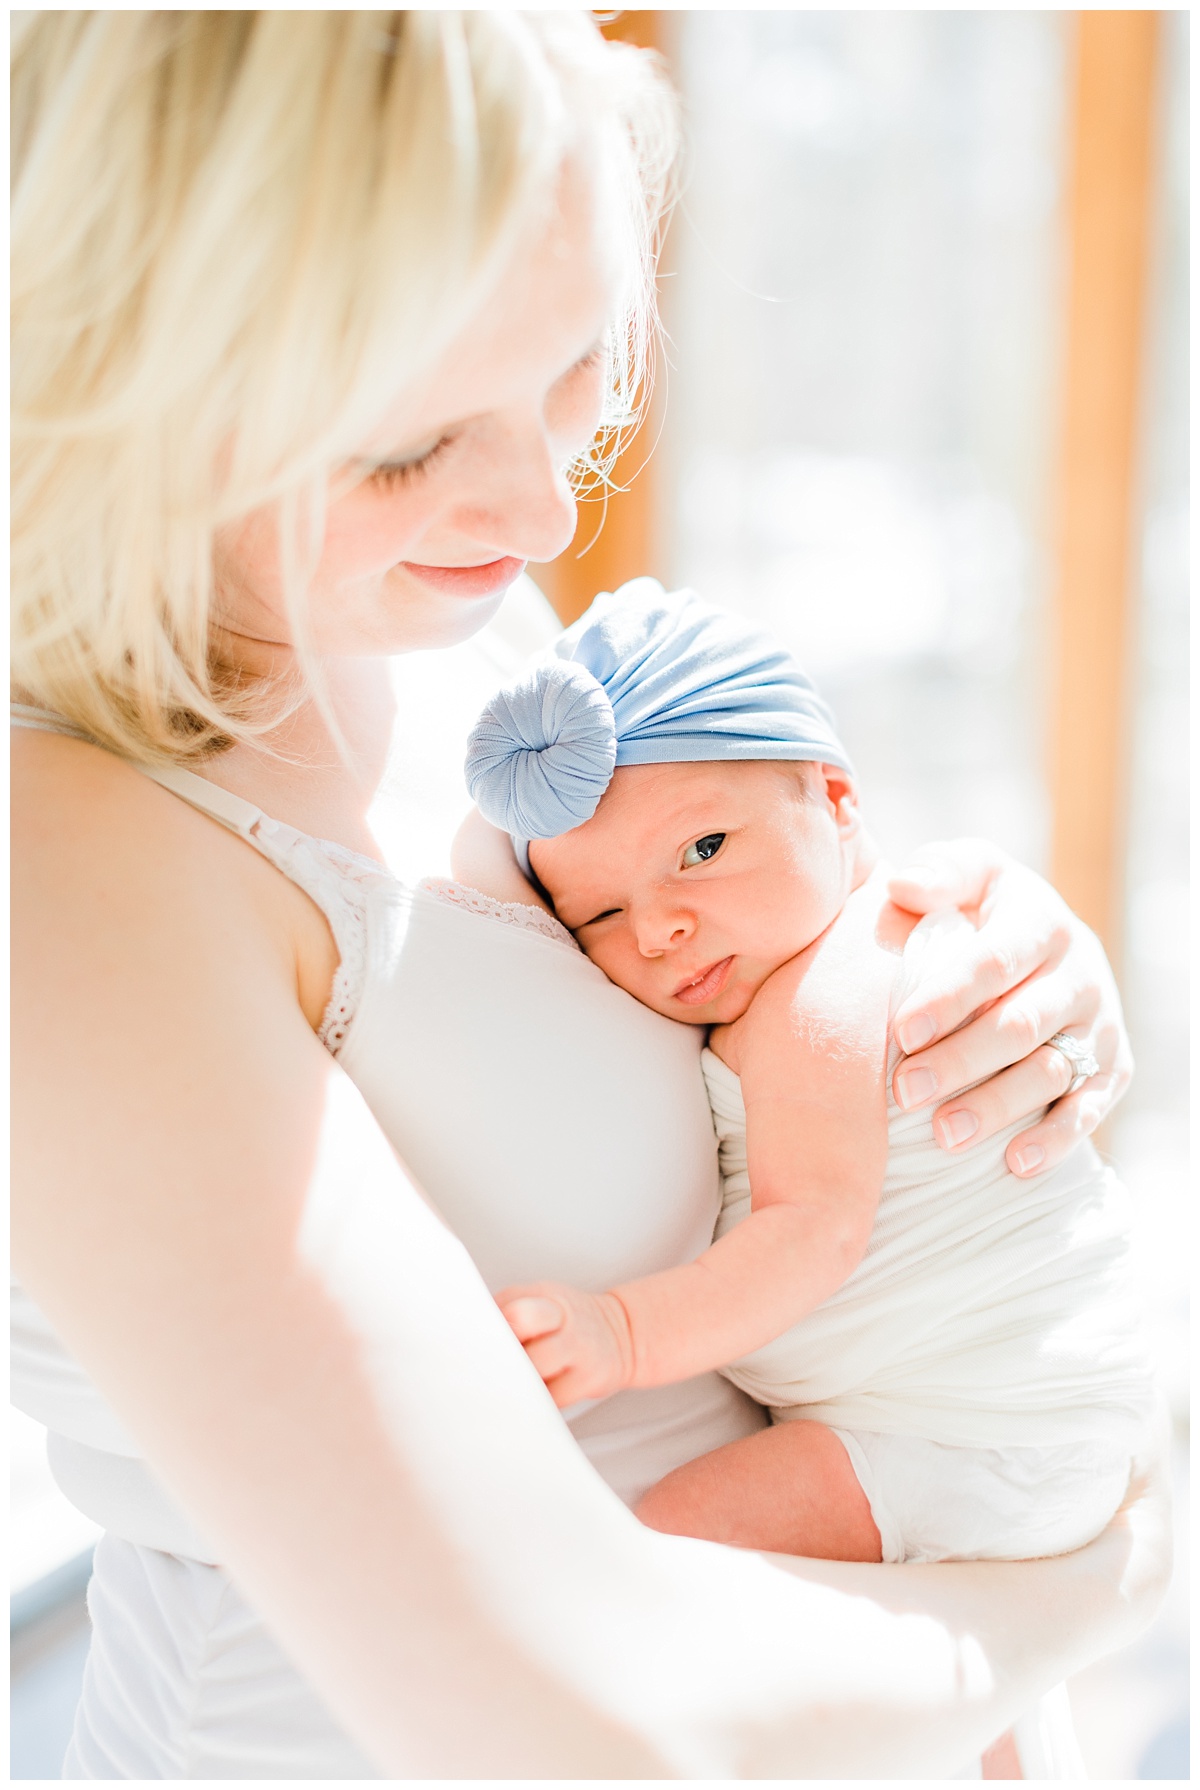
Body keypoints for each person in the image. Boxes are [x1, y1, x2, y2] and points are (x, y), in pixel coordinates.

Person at [12, 12, 1168, 1780]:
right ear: (123, 379)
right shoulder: (75, 868)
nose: (546, 508)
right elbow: (566, 1712)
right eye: (407, 445)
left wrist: (965, 976)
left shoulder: (470, 649)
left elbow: (664, 1049)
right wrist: (1086, 1581)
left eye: (574, 372)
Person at [463, 584, 1156, 1569]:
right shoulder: (794, 967)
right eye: (600, 917)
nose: (659, 927)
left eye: (702, 849)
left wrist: (622, 1331)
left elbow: (814, 1229)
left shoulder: (826, 990)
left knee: (661, 1546)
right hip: (1008, 1422)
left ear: (837, 798)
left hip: (982, 1427)